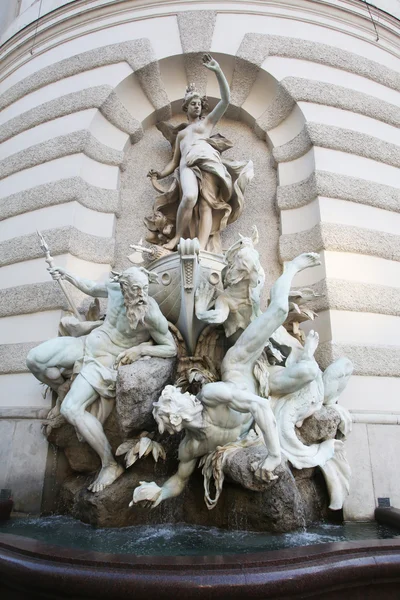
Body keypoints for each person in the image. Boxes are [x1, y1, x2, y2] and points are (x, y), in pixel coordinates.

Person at [132, 252, 321, 508]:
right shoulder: (190, 447)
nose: (186, 395)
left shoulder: (209, 396)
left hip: (240, 362)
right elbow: (179, 479)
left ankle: (293, 266)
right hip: (263, 385)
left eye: (180, 396)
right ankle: (306, 355)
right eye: (177, 401)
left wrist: (274, 454)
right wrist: (161, 492)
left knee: (278, 310)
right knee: (308, 373)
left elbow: (260, 406)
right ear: (176, 420)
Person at [27, 266, 177, 492]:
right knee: (34, 359)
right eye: (136, 289)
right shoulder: (116, 290)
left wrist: (140, 351)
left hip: (105, 362)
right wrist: (67, 275)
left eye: (145, 288)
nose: (141, 295)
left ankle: (109, 464)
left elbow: (171, 348)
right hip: (87, 343)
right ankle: (61, 389)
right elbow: (91, 287)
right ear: (124, 286)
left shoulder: (150, 312)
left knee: (71, 409)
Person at [147, 54, 253, 252]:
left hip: (209, 163)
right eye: (193, 103)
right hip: (187, 165)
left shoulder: (207, 124)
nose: (196, 106)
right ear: (186, 107)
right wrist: (160, 174)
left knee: (207, 205)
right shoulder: (181, 135)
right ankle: (177, 238)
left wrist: (218, 71)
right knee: (188, 197)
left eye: (199, 103)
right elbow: (174, 162)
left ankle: (202, 248)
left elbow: (226, 100)